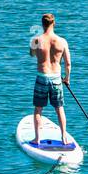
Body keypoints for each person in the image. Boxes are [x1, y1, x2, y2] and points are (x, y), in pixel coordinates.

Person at [30, 12, 73, 150]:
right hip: (56, 79)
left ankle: (37, 139)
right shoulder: (62, 41)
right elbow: (68, 64)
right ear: (54, 23)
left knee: (38, 109)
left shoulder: (36, 40)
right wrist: (67, 78)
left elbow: (32, 54)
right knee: (59, 109)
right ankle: (64, 138)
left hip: (42, 77)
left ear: (43, 24)